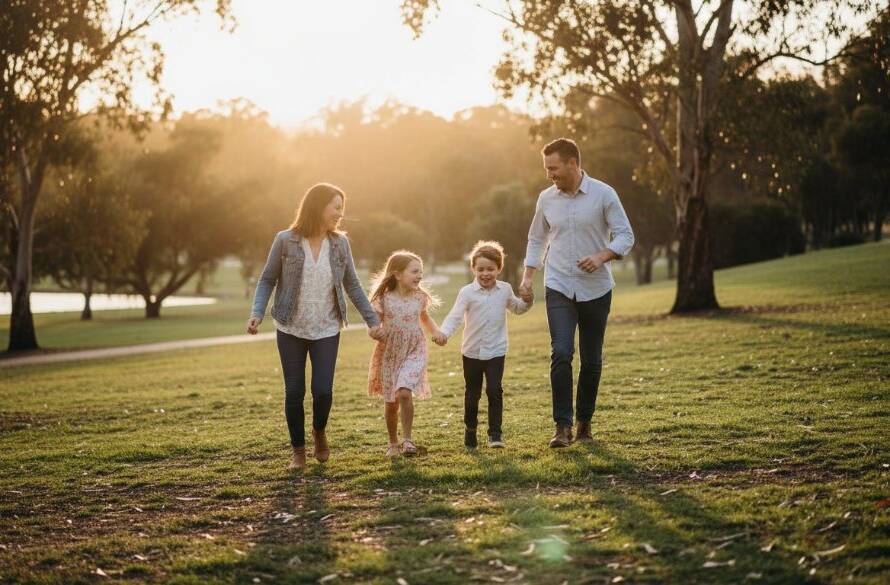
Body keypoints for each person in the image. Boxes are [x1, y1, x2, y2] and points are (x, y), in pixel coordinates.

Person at [246, 183, 383, 470]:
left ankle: (319, 431)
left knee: (323, 391)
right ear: (317, 206)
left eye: (341, 208)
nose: (340, 214)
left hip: (327, 327)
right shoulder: (285, 240)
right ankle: (298, 450)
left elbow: (353, 285)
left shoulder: (340, 244)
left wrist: (373, 320)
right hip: (290, 328)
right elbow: (267, 278)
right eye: (336, 207)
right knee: (294, 392)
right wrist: (257, 312)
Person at [518, 138, 635, 448]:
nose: (549, 174)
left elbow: (626, 235)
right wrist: (528, 277)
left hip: (596, 289)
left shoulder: (603, 194)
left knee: (592, 359)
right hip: (558, 285)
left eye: (553, 168)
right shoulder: (546, 198)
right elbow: (536, 239)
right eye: (546, 168)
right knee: (561, 352)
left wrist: (601, 256)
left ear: (572, 163)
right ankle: (562, 427)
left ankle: (584, 423)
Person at [436, 241, 532, 449]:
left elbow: (517, 308)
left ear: (499, 269)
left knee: (495, 390)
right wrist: (444, 333)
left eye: (490, 269)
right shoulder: (467, 292)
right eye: (481, 269)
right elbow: (455, 317)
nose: (486, 274)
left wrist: (527, 301)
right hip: (471, 352)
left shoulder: (505, 290)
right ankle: (470, 430)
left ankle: (495, 434)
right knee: (473, 394)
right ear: (474, 269)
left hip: (496, 350)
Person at [367, 250, 443, 457]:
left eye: (421, 272)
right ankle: (393, 443)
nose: (420, 275)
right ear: (398, 274)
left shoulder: (419, 297)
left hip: (414, 349)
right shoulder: (384, 298)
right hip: (390, 352)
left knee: (404, 392)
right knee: (391, 402)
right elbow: (373, 321)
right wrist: (374, 330)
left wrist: (436, 332)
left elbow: (425, 318)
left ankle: (408, 440)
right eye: (415, 271)